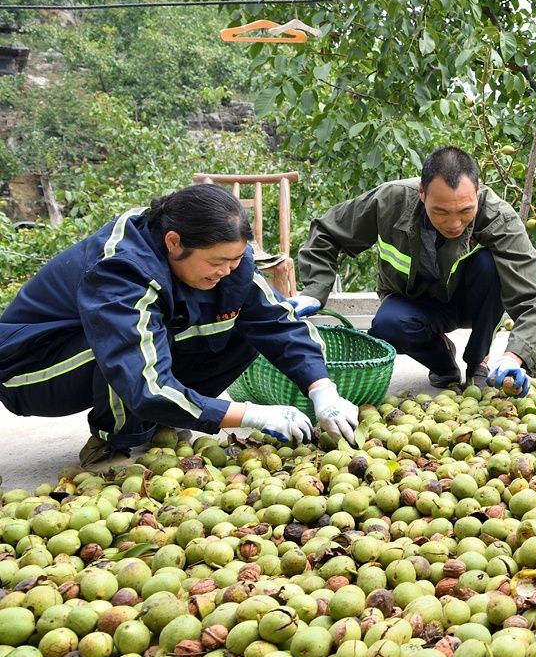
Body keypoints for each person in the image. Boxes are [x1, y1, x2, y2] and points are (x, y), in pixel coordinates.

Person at [0, 184, 360, 466]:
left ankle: (159, 421)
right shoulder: (121, 270)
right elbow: (142, 379)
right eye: (218, 261)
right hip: (30, 369)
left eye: (235, 259)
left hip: (86, 354)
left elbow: (277, 322)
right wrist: (251, 415)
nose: (227, 270)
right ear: (174, 242)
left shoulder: (231, 262)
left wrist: (322, 390)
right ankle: (115, 446)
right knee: (124, 349)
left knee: (243, 328)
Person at [292, 146, 536, 394]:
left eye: (465, 211)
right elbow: (327, 232)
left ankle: (478, 363)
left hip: (471, 303)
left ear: (477, 191)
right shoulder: (389, 201)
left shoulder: (498, 217)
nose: (454, 223)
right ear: (422, 193)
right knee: (387, 325)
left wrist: (514, 356)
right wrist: (314, 291)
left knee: (490, 265)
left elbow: (533, 298)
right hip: (413, 301)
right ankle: (442, 363)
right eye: (440, 212)